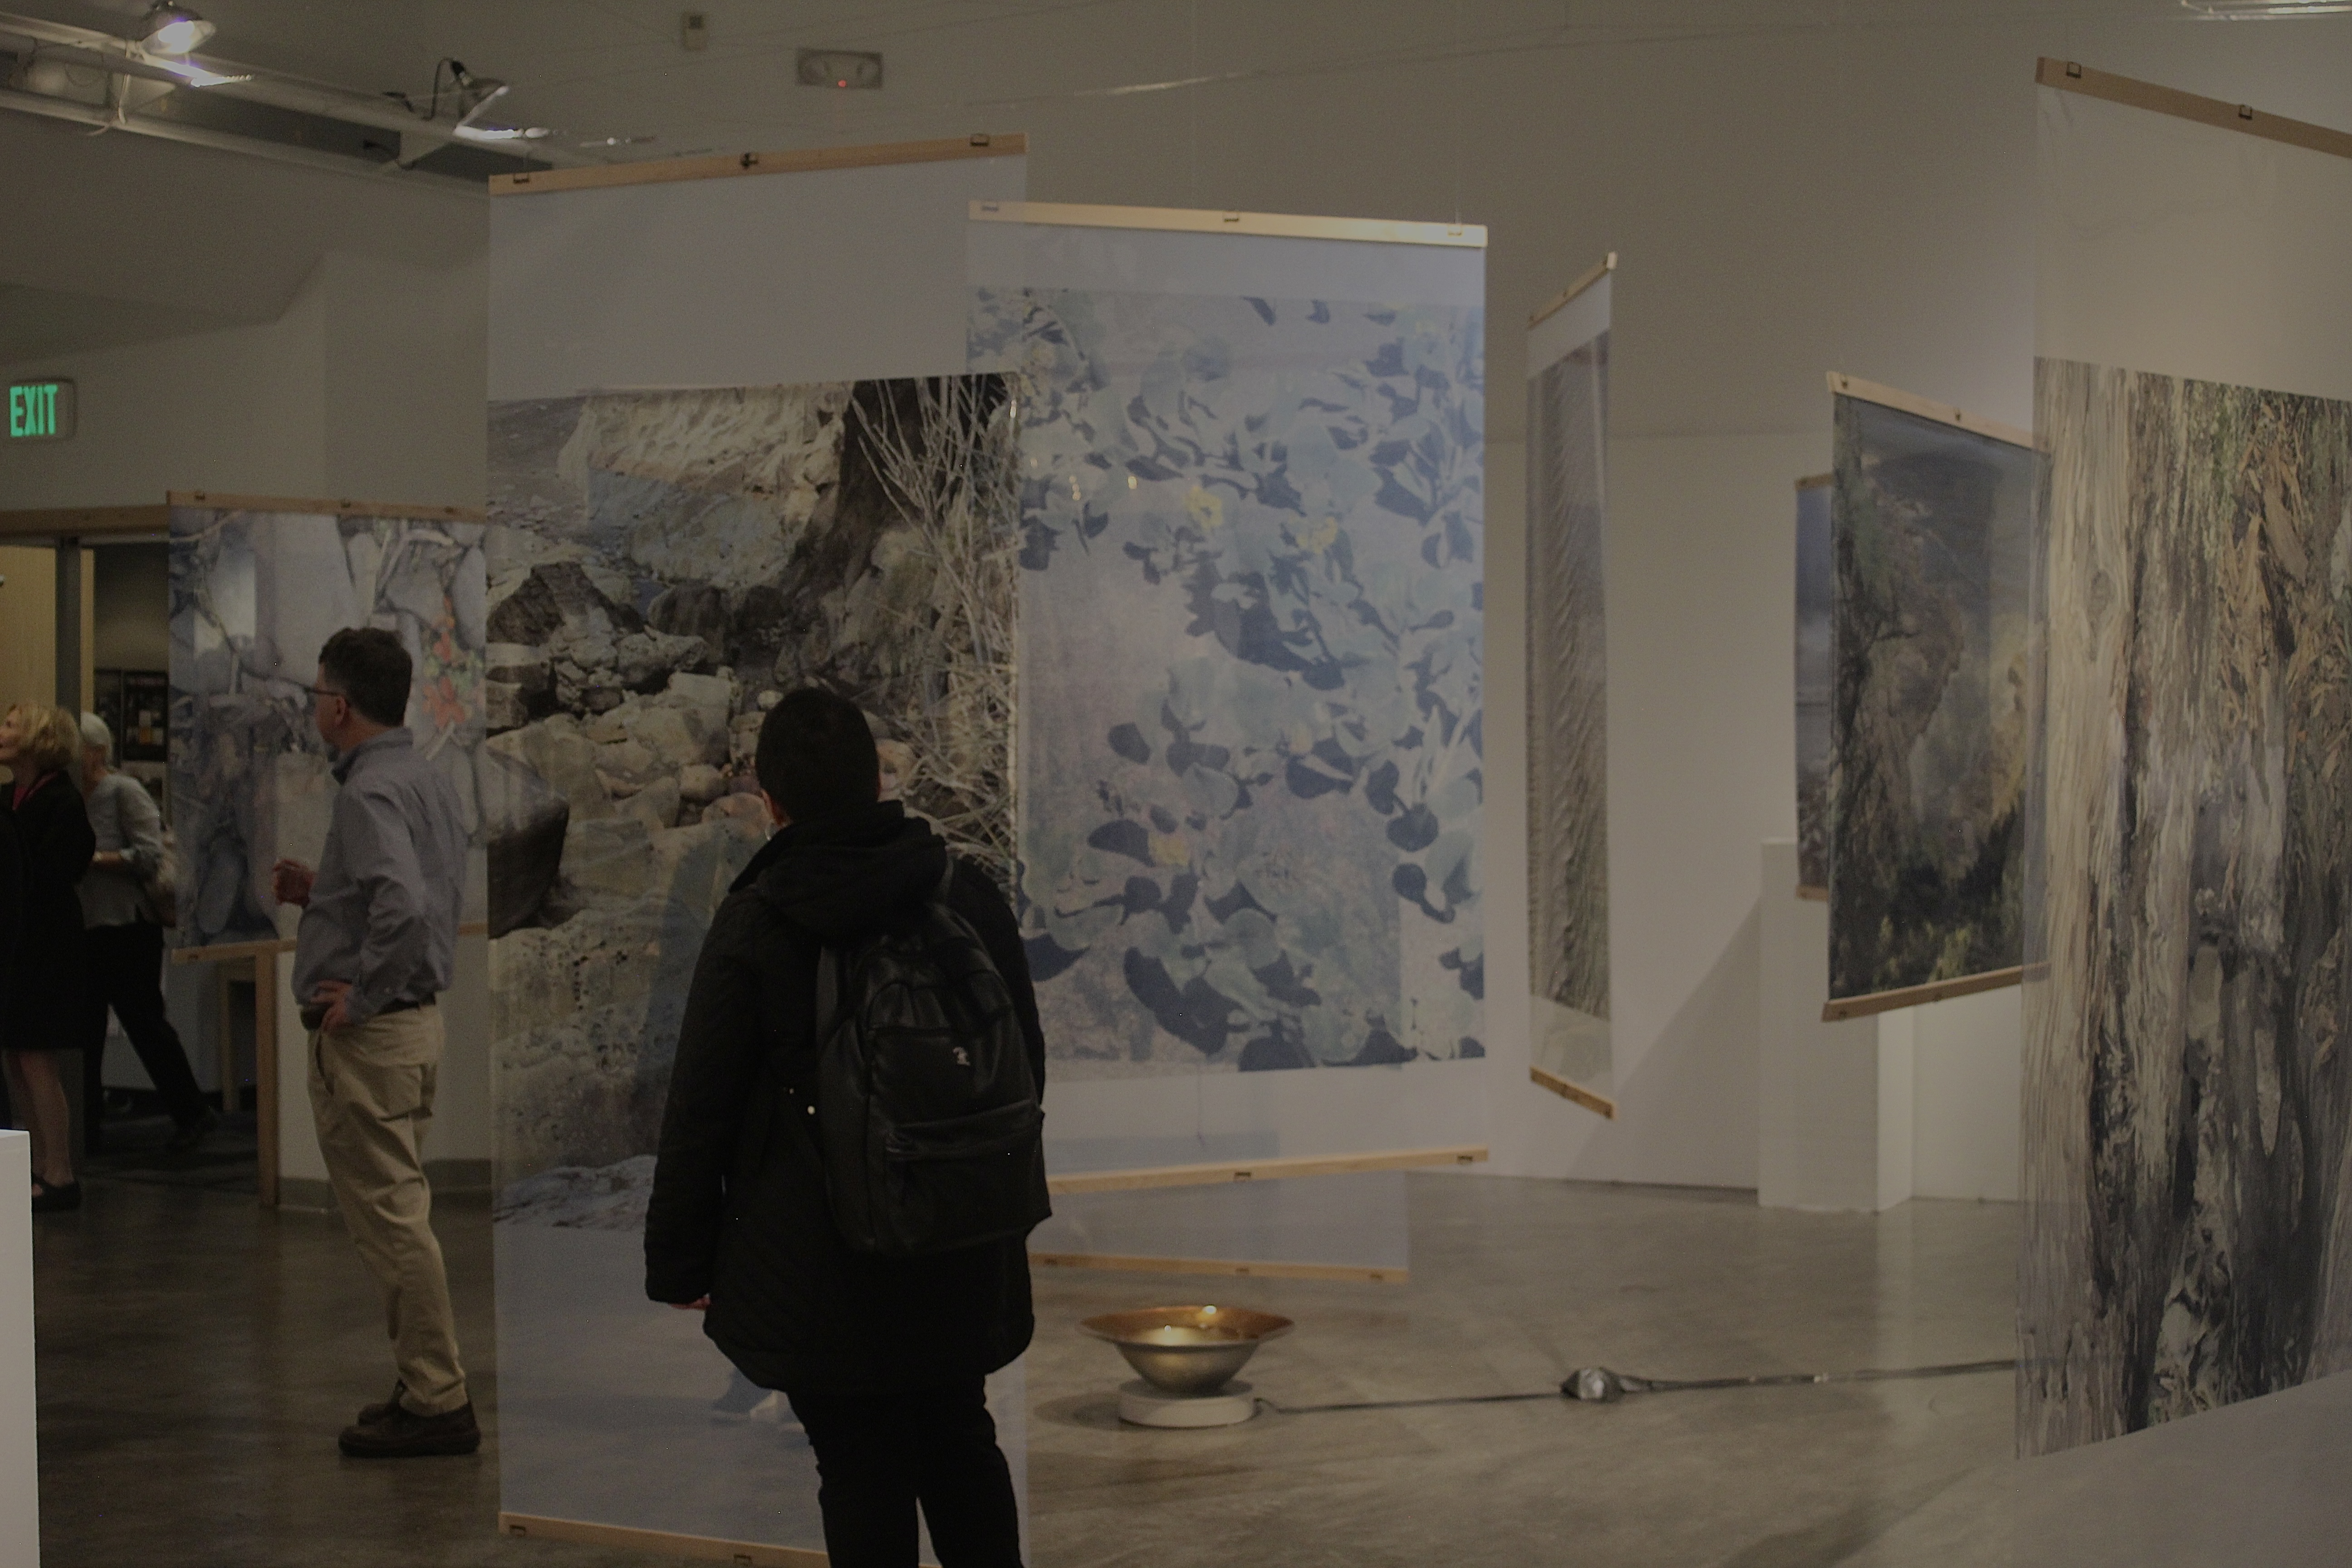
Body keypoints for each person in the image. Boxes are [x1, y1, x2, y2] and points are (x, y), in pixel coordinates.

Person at [645, 689, 1042, 1568]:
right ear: (876, 781)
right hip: (959, 1245)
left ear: (773, 804)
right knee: (960, 1440)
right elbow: (1027, 1063)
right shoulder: (964, 893)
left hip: (826, 1269)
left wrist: (681, 1257)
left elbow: (700, 1106)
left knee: (859, 1469)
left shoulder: (758, 922)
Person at [268, 628, 477, 1459]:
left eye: (319, 692)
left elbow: (404, 908)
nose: (316, 704)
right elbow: (410, 893)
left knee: (393, 1224)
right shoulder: (420, 777)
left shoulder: (366, 794)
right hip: (412, 1031)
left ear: (341, 705)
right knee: (402, 1216)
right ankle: (423, 1380)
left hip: (376, 1038)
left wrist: (360, 997)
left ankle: (437, 1396)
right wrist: (324, 895)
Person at [77, 714, 216, 1151]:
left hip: (129, 926)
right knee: (85, 1031)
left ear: (96, 751)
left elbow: (151, 855)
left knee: (144, 1023)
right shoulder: (71, 796)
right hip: (87, 926)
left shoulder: (123, 792)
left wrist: (96, 860)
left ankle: (191, 1111)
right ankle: (87, 1128)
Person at [0, 702, 97, 1213]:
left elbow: (56, 875)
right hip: (14, 947)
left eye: (11, 725)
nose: (1, 733)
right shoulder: (8, 798)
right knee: (17, 1057)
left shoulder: (62, 802)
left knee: (38, 1059)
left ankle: (59, 1171)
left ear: (38, 739)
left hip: (45, 948)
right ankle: (35, 1168)